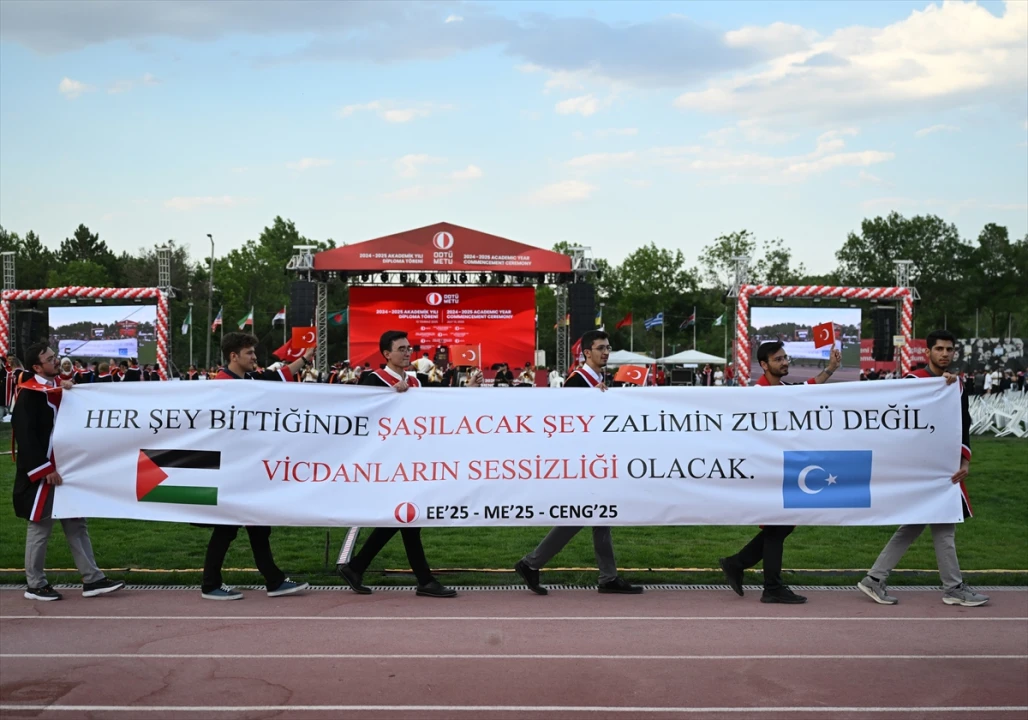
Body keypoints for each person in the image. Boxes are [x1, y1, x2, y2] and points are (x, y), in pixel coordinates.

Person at [857, 330, 989, 607]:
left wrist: (965, 460)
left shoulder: (957, 385)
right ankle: (951, 587)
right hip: (919, 469)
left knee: (926, 525)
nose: (944, 354)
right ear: (927, 352)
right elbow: (898, 424)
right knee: (935, 526)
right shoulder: (913, 382)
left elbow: (963, 425)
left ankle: (876, 578)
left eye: (949, 349)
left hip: (944, 470)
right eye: (939, 348)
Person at [337, 330, 472, 598]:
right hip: (387, 462)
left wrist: (471, 391)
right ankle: (422, 579)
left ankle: (359, 567)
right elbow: (362, 416)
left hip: (411, 461)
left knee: (406, 519)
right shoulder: (373, 380)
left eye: (409, 348)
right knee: (407, 518)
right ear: (387, 354)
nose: (407, 352)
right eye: (401, 348)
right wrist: (389, 397)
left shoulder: (415, 380)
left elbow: (439, 407)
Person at [515, 330, 641, 596]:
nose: (606, 352)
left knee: (597, 516)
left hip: (595, 460)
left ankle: (606, 576)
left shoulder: (595, 380)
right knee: (584, 515)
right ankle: (533, 563)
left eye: (608, 348)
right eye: (601, 348)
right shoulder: (577, 381)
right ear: (587, 352)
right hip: (583, 462)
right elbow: (567, 422)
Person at [718, 340, 842, 605]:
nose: (785, 362)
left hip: (786, 469)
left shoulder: (786, 390)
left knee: (782, 525)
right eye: (778, 359)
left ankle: (737, 564)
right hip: (767, 471)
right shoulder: (756, 394)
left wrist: (830, 369)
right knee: (778, 525)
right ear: (763, 365)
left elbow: (810, 387)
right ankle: (770, 586)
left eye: (786, 358)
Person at [200, 332, 313, 601]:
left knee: (258, 524)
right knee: (228, 527)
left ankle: (273, 579)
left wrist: (304, 359)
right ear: (233, 356)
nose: (255, 357)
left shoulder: (248, 379)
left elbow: (278, 377)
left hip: (247, 467)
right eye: (250, 353)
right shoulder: (222, 384)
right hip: (230, 468)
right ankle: (211, 584)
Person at [13, 341, 125, 601]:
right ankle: (35, 584)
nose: (56, 361)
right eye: (50, 359)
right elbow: (26, 437)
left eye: (55, 356)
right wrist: (44, 469)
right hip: (43, 473)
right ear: (36, 366)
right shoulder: (29, 394)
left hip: (66, 469)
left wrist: (69, 391)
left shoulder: (54, 388)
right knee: (40, 526)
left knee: (76, 522)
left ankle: (93, 578)